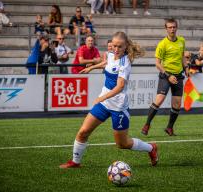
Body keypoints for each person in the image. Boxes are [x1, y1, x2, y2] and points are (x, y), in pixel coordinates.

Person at [59, 31, 158, 169]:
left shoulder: (125, 63)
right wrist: (91, 68)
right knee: (83, 132)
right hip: (104, 104)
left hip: (118, 107)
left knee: (122, 144)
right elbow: (107, 63)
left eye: (120, 47)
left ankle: (151, 148)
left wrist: (102, 97)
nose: (116, 50)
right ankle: (75, 162)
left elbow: (120, 86)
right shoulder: (112, 55)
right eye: (114, 46)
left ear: (126, 47)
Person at [141, 18, 188, 136]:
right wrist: (168, 75)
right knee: (159, 99)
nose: (172, 29)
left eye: (174, 27)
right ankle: (147, 124)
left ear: (177, 27)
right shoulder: (162, 44)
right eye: (170, 27)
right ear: (166, 29)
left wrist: (186, 67)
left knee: (177, 104)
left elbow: (182, 56)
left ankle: (169, 128)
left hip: (178, 76)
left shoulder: (182, 41)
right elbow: (157, 63)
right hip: (165, 75)